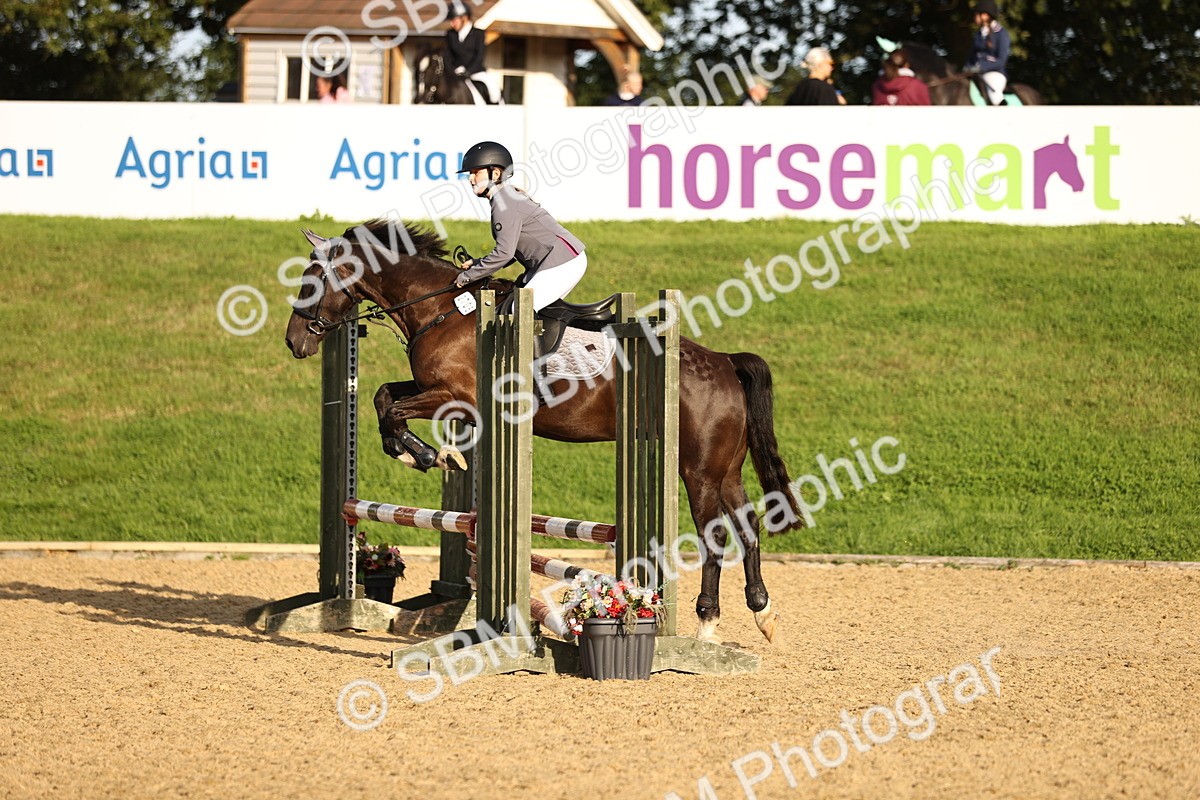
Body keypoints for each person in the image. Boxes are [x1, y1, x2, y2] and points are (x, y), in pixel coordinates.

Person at [453, 141, 588, 313]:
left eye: (475, 172)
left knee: (519, 310)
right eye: (469, 174)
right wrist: (478, 263)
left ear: (495, 174)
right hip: (559, 261)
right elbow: (510, 249)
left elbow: (504, 254)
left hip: (562, 263)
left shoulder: (505, 203)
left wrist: (465, 278)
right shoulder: (505, 197)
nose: (471, 179)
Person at [445, 3, 498, 103]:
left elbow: (479, 56)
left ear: (464, 18)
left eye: (454, 20)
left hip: (476, 72)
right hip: (456, 73)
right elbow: (448, 56)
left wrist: (468, 71)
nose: (452, 24)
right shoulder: (450, 34)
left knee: (494, 93)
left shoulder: (478, 34)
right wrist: (453, 70)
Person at [965, 0, 1010, 105]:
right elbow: (972, 57)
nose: (974, 17)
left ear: (985, 15)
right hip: (976, 74)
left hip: (994, 73)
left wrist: (982, 67)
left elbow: (1001, 60)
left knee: (995, 96)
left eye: (976, 14)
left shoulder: (1001, 33)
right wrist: (966, 68)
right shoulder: (978, 34)